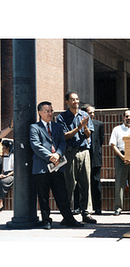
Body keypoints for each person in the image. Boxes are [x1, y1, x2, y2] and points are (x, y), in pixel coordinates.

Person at [30, 101, 83, 229]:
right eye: (47, 111)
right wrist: (50, 156)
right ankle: (46, 220)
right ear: (40, 113)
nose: (50, 113)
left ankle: (69, 219)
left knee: (62, 194)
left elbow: (62, 142)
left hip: (57, 165)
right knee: (43, 196)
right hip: (41, 167)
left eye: (51, 110)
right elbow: (36, 145)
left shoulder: (57, 126)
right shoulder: (34, 128)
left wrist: (58, 154)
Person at [56, 92, 97, 224]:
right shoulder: (62, 117)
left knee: (85, 183)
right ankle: (67, 215)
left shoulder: (85, 115)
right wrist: (78, 127)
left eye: (77, 99)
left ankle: (86, 213)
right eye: (72, 99)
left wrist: (84, 126)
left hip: (84, 152)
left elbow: (89, 134)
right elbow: (64, 136)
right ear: (67, 101)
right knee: (69, 184)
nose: (76, 102)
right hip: (69, 152)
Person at [109, 109, 130, 216]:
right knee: (119, 184)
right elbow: (113, 145)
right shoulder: (117, 129)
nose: (128, 118)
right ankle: (118, 208)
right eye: (127, 116)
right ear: (123, 118)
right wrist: (122, 157)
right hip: (120, 157)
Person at [82, 104, 104, 215]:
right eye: (90, 112)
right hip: (83, 156)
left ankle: (97, 207)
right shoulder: (79, 124)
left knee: (96, 182)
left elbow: (101, 141)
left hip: (95, 158)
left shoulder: (99, 124)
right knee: (81, 183)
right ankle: (79, 207)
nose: (92, 114)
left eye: (93, 112)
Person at [0, 140, 14, 211]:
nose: (3, 149)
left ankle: (0, 202)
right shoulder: (3, 157)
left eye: (4, 148)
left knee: (3, 182)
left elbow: (14, 170)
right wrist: (1, 174)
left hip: (11, 174)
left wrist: (6, 176)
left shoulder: (13, 156)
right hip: (4, 173)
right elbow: (3, 168)